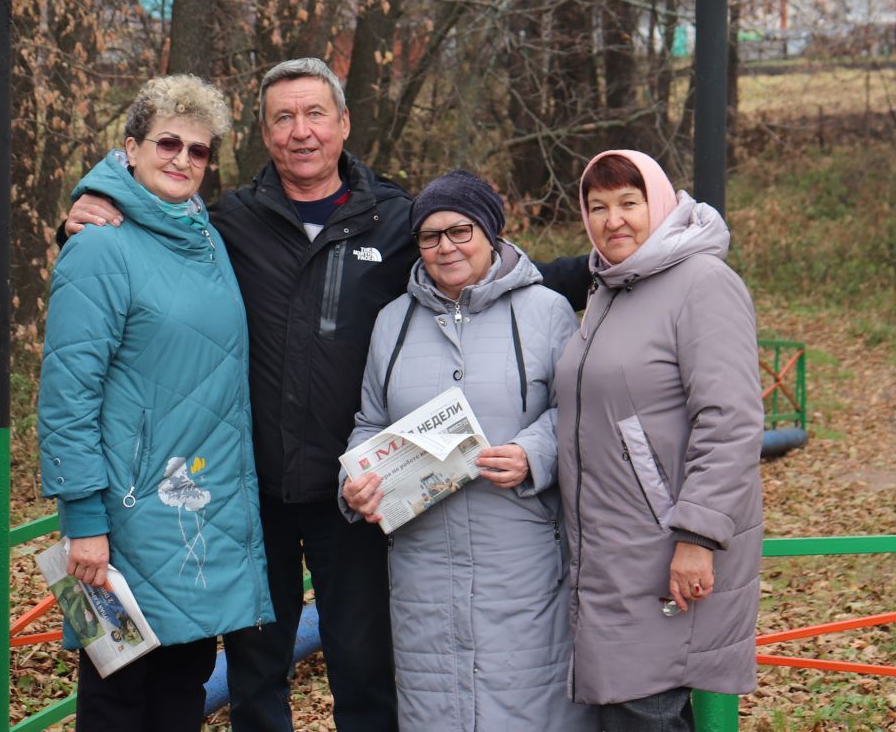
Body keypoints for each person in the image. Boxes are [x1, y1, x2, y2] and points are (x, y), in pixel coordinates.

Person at [63, 58, 592, 732]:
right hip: (245, 495)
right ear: (264, 132)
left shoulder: (397, 220)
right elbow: (140, 234)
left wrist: (608, 264)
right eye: (283, 118)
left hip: (358, 495)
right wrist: (88, 206)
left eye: (315, 114)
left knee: (365, 670)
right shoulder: (228, 225)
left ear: (343, 124)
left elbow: (480, 263)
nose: (301, 131)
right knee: (253, 678)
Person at [39, 75, 273, 732]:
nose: (182, 159)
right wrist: (84, 517)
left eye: (198, 150)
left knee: (182, 691)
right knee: (119, 696)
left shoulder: (205, 237)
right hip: (125, 521)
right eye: (167, 142)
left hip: (200, 514)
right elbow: (67, 394)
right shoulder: (98, 248)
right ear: (130, 148)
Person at [340, 170, 596, 732]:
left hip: (522, 555)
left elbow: (576, 414)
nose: (446, 246)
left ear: (491, 233)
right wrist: (354, 484)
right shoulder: (393, 322)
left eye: (461, 230)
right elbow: (370, 422)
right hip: (422, 561)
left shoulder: (547, 311)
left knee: (532, 706)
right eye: (430, 236)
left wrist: (533, 453)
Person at [557, 150, 763, 732]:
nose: (612, 220)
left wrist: (698, 535)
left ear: (661, 203)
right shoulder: (610, 288)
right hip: (606, 546)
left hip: (665, 548)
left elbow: (732, 420)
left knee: (645, 708)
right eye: (597, 207)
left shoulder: (702, 284)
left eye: (629, 202)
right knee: (628, 708)